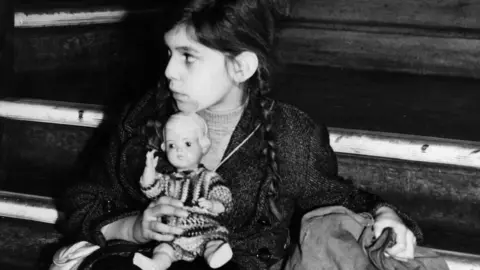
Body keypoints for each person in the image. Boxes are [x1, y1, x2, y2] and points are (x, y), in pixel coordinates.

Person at [60, 0, 422, 269]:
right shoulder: (143, 118)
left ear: (241, 66)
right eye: (169, 52)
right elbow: (85, 201)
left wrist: (386, 214)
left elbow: (335, 194)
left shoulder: (288, 133)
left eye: (188, 56)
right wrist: (134, 226)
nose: (169, 71)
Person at [133, 112, 233, 270]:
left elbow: (225, 202)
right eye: (172, 145)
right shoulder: (168, 180)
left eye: (187, 144)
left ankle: (215, 255)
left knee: (214, 242)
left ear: (203, 145)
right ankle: (156, 264)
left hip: (204, 229)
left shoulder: (208, 178)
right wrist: (149, 171)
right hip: (174, 233)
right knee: (163, 250)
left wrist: (212, 204)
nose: (179, 151)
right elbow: (150, 190)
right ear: (164, 148)